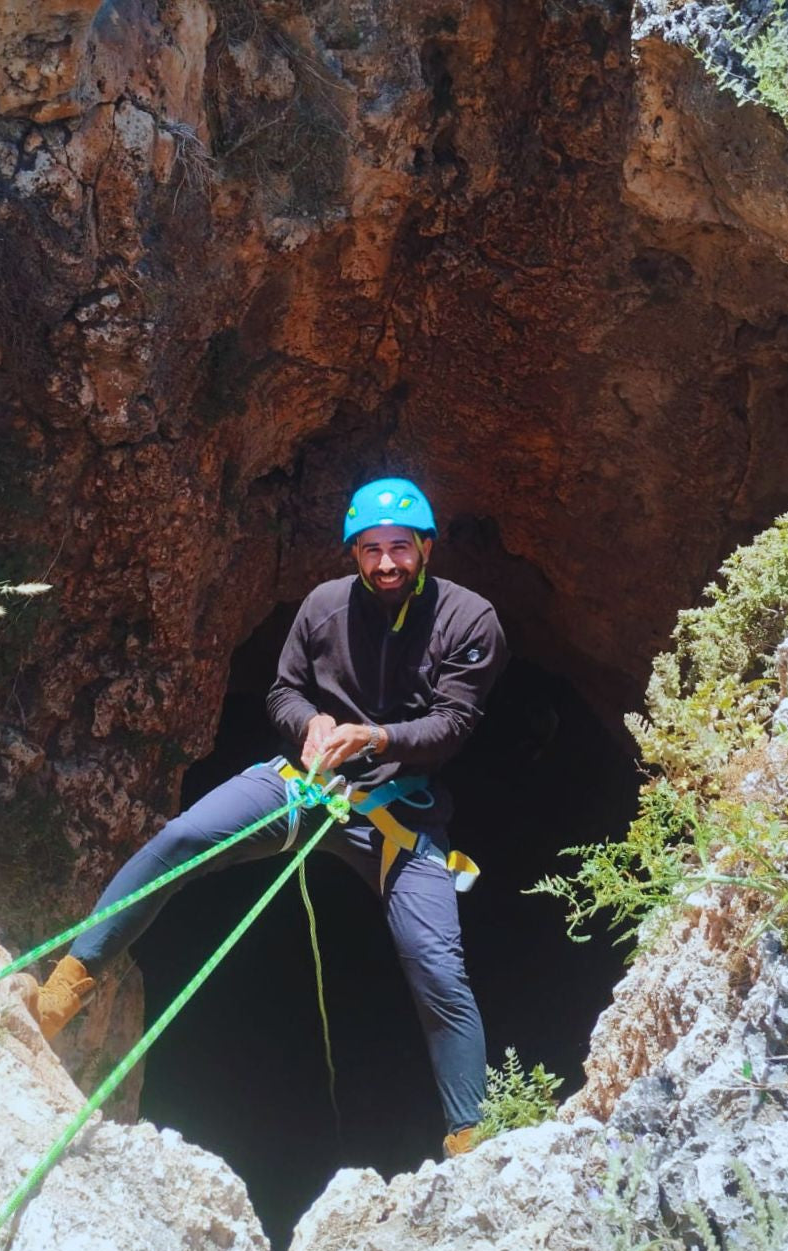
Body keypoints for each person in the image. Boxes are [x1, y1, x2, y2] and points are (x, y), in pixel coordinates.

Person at [34, 477, 507, 1156]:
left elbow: (452, 724)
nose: (385, 564)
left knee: (437, 966)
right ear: (353, 553)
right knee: (183, 838)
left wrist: (374, 739)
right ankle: (69, 985)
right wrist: (312, 722)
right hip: (308, 785)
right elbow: (283, 690)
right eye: (370, 549)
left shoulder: (470, 621)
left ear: (427, 547)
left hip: (398, 814)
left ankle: (471, 1139)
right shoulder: (322, 609)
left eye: (400, 547)